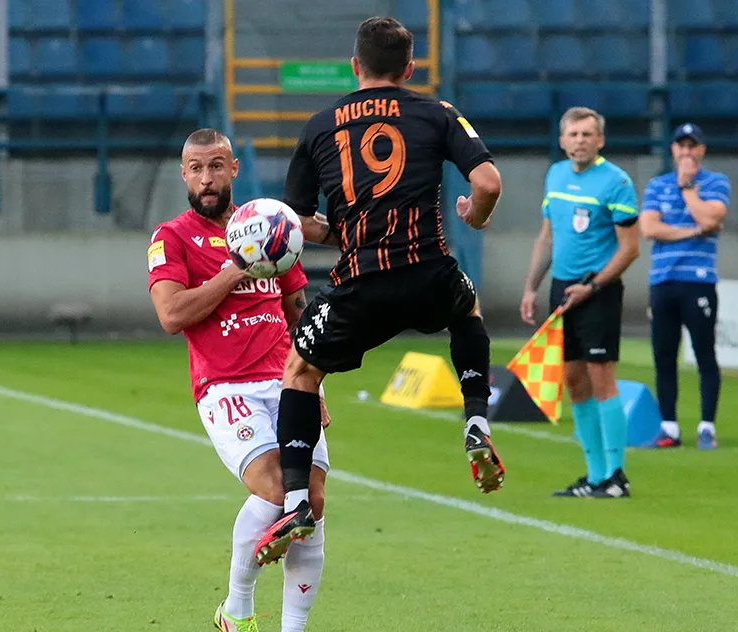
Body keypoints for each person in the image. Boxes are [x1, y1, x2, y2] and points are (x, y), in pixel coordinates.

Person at [261, 16, 505, 555]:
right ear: (409, 69)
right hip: (428, 271)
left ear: (355, 66)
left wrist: (344, 232)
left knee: (300, 372)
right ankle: (475, 419)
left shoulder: (320, 126)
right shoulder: (438, 113)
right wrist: (476, 214)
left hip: (361, 283)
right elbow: (488, 182)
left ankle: (297, 499)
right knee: (467, 309)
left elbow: (297, 223)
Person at [148, 128, 330, 632]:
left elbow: (297, 310)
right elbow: (171, 315)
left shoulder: (268, 224)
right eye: (196, 168)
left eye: (216, 167)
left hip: (288, 380)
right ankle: (238, 608)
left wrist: (315, 381)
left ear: (233, 168)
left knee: (312, 501)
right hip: (225, 386)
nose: (206, 179)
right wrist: (234, 269)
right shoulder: (172, 237)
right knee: (277, 491)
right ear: (184, 174)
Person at [521, 107, 641, 498]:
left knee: (601, 377)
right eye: (573, 134)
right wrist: (531, 288)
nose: (580, 141)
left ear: (600, 140)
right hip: (562, 289)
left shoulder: (616, 182)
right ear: (562, 140)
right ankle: (594, 476)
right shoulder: (555, 175)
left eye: (587, 134)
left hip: (597, 291)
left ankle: (616, 476)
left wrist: (592, 286)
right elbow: (547, 237)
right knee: (573, 380)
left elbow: (630, 249)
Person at [639, 123, 730, 449]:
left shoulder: (716, 182)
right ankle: (669, 427)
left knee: (705, 353)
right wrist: (693, 231)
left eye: (693, 146)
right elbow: (649, 228)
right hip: (663, 280)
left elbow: (712, 218)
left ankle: (706, 427)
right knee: (664, 354)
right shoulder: (657, 185)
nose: (687, 152)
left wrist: (688, 188)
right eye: (682, 146)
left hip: (698, 281)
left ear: (702, 150)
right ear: (674, 149)